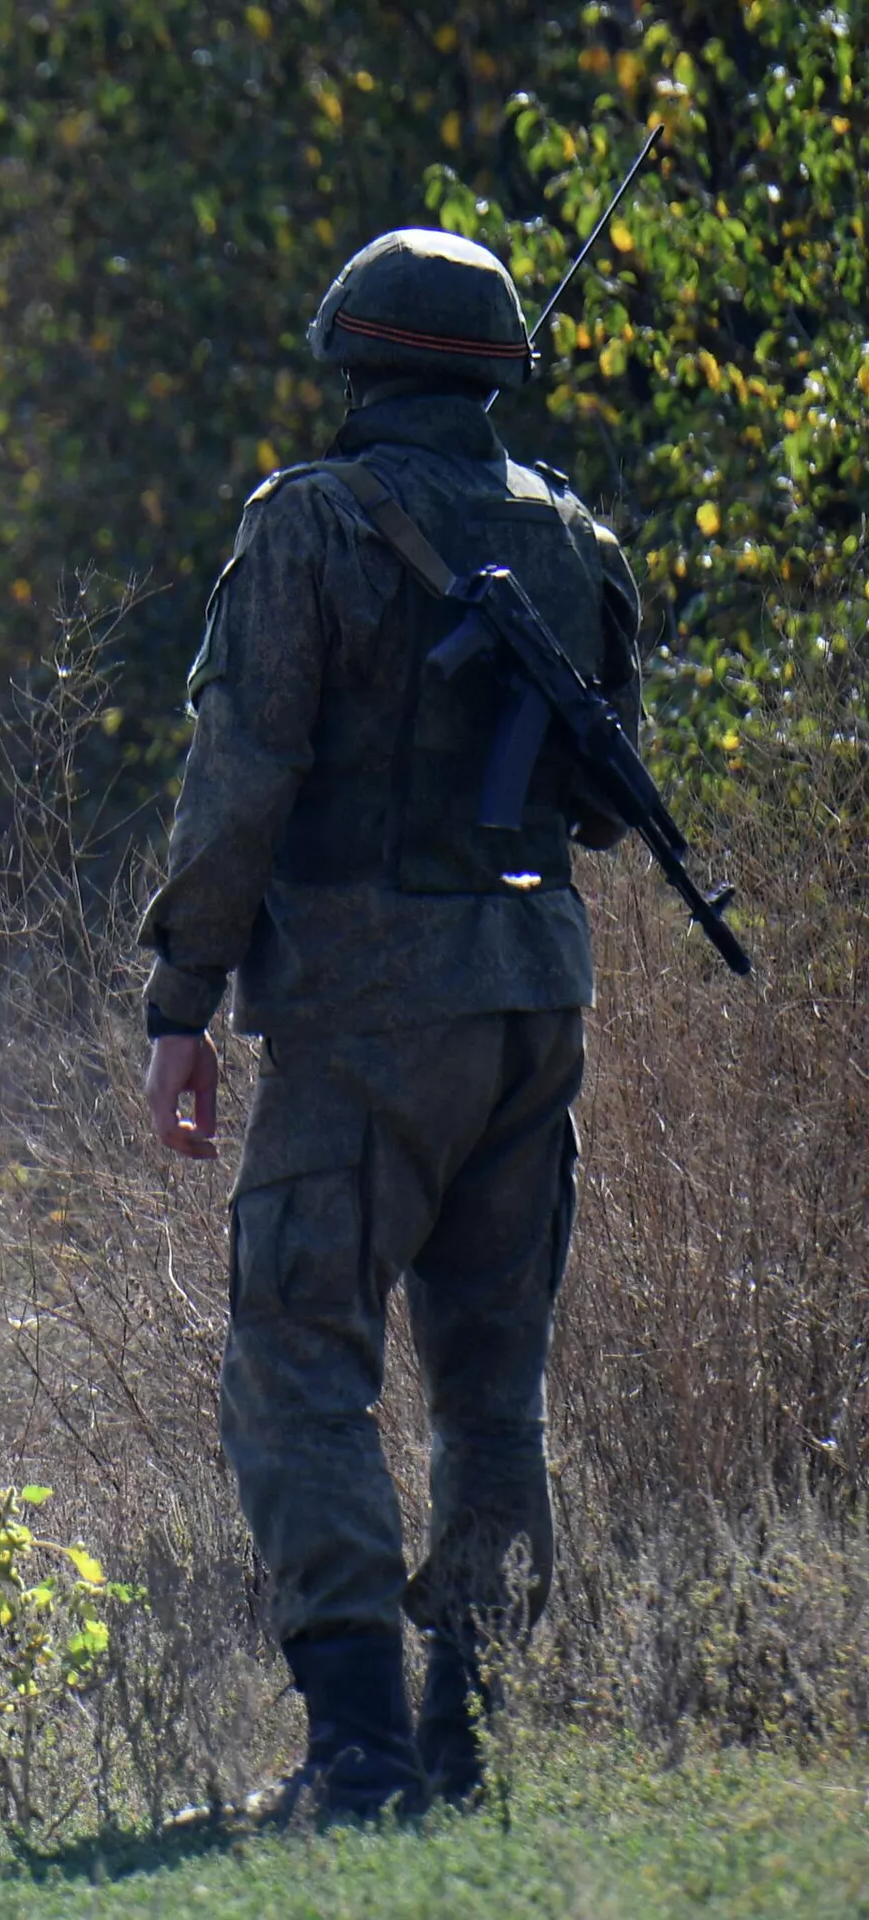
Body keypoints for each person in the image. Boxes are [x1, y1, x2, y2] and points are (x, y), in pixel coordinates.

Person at [139, 229, 642, 1823]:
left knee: (302, 1361)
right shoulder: (576, 535)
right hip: (535, 999)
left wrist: (181, 1000)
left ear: (353, 358)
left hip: (366, 1015)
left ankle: (358, 1752)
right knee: (494, 1391)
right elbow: (605, 805)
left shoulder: (309, 520)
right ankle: (464, 1738)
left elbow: (241, 780)